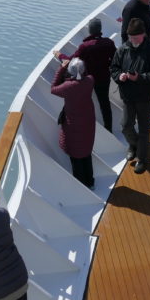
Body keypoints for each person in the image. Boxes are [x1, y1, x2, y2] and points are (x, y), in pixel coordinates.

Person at [109, 17, 150, 173]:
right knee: (126, 125)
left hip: (145, 97)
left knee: (144, 129)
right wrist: (119, 76)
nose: (132, 40)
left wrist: (138, 77)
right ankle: (134, 145)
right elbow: (114, 68)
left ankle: (142, 159)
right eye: (130, 37)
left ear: (143, 34)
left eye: (135, 37)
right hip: (128, 96)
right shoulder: (123, 49)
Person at [55, 18, 116, 132]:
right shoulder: (109, 43)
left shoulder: (85, 46)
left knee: (75, 98)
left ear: (90, 30)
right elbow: (115, 59)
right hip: (104, 78)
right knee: (104, 103)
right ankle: (109, 129)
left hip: (87, 80)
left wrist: (59, 55)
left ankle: (63, 118)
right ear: (100, 29)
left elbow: (70, 61)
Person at [50, 57, 97, 188]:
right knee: (86, 153)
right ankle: (90, 182)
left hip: (73, 125)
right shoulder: (90, 81)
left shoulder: (67, 87)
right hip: (88, 122)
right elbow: (83, 75)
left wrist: (61, 68)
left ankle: (81, 186)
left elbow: (53, 88)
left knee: (76, 157)